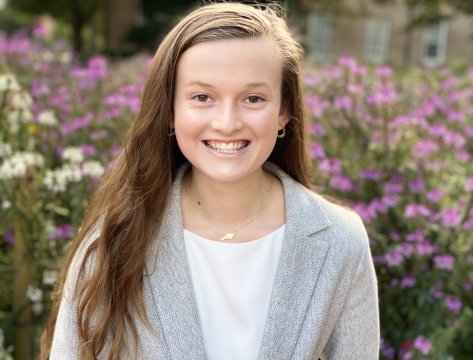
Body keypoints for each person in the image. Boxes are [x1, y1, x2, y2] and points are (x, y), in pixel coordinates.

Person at [41, 3, 379, 359]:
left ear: (284, 113)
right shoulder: (114, 239)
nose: (227, 122)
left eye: (253, 98)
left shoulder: (342, 242)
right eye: (202, 97)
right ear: (169, 111)